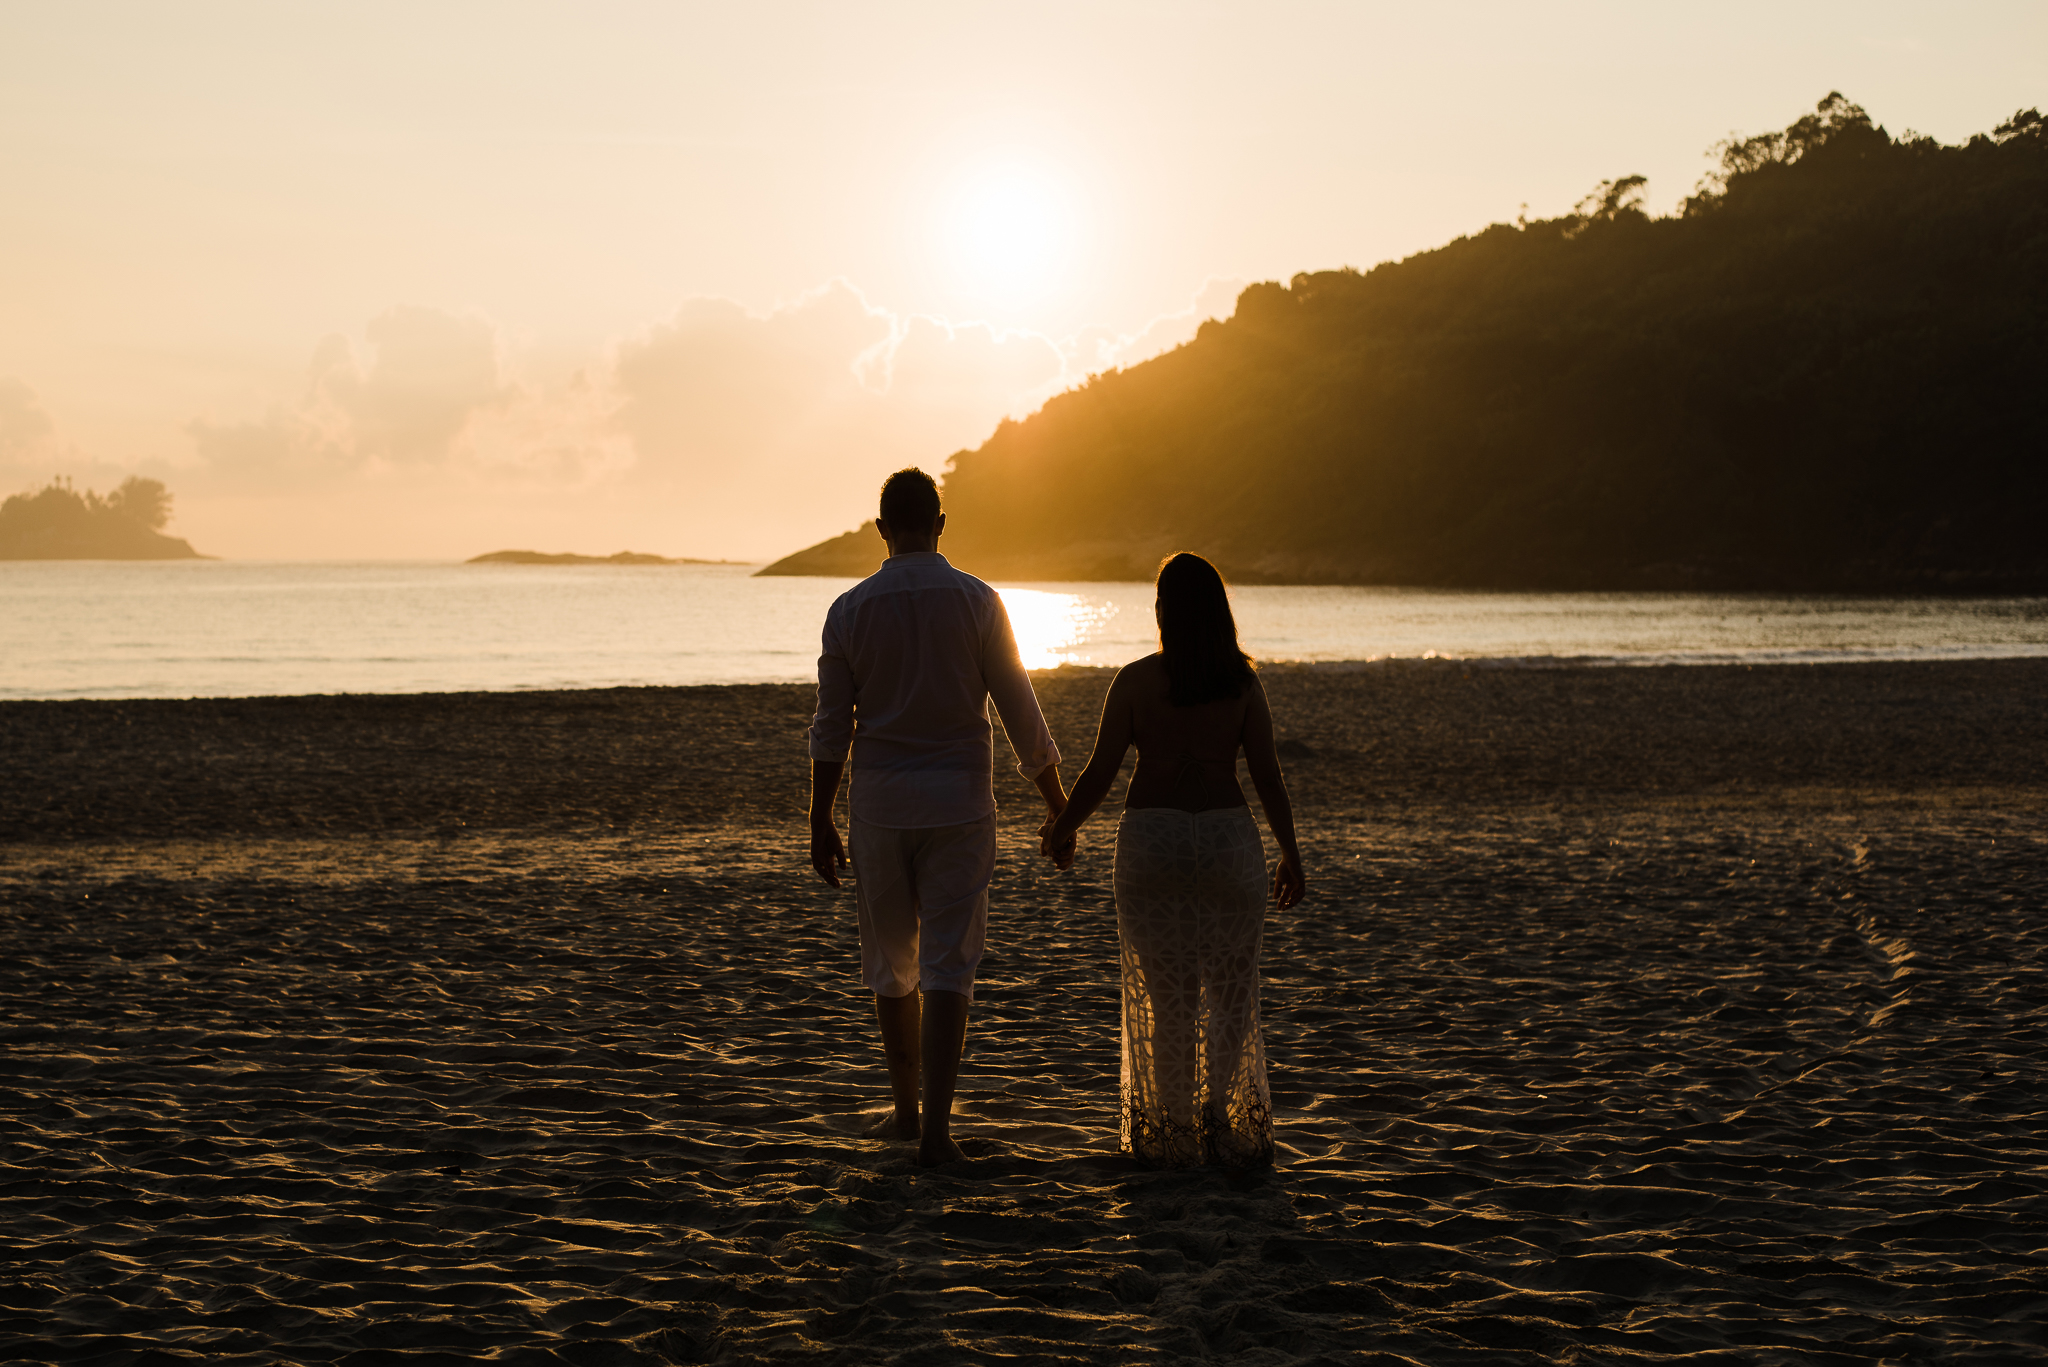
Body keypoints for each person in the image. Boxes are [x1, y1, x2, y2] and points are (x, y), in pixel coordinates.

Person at [807, 467, 1071, 1167]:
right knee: (950, 963)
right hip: (960, 803)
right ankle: (935, 1134)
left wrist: (819, 816)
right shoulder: (979, 601)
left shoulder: (849, 610)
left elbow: (832, 727)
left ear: (882, 529)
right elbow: (1020, 710)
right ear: (941, 525)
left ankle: (905, 1113)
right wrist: (1058, 805)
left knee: (891, 964)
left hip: (880, 807)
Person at [1041, 552, 1303, 1168]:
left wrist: (1062, 827)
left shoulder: (1134, 682)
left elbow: (1101, 771)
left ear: (1162, 611)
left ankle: (1175, 1126)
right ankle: (1221, 1116)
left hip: (1152, 842)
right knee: (1231, 993)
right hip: (1227, 840)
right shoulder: (1241, 683)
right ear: (1218, 612)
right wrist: (1291, 855)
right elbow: (1267, 775)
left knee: (1169, 997)